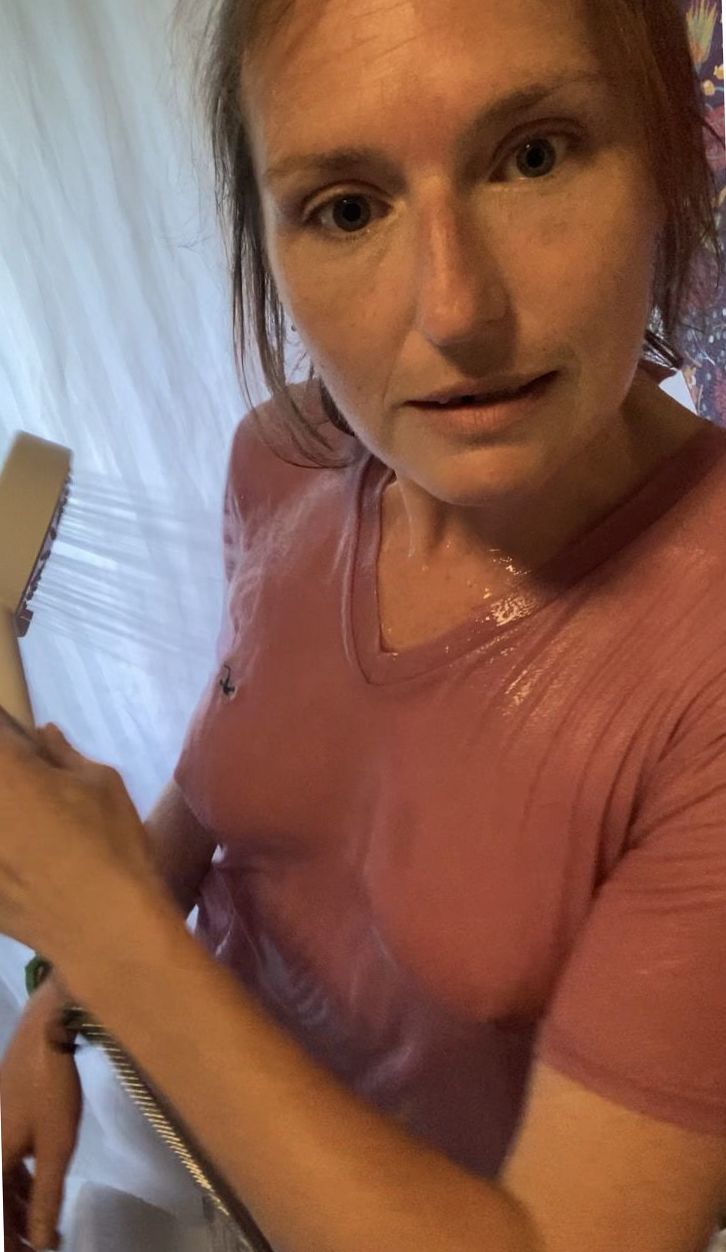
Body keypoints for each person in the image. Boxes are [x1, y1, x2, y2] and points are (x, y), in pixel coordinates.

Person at [2, 0, 726, 1250]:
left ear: (669, 159)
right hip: (187, 1127)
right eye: (346, 209)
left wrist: (107, 932)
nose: (456, 311)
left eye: (534, 154)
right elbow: (235, 781)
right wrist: (63, 1004)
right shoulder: (281, 460)